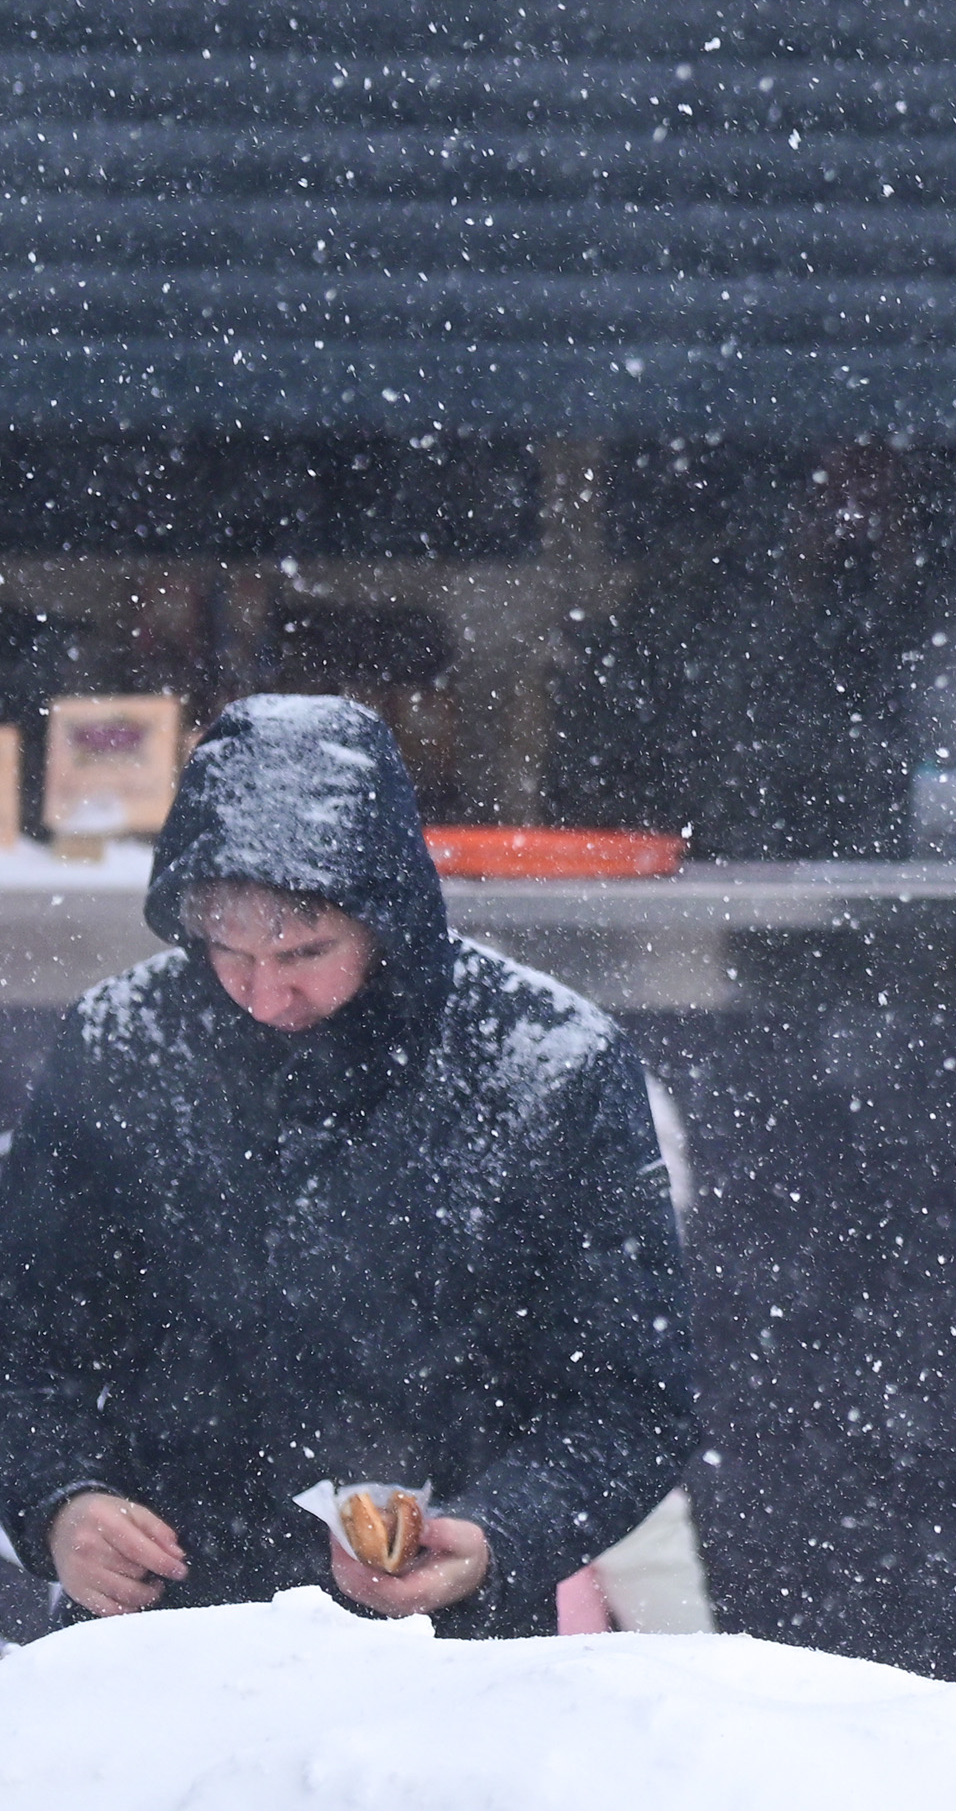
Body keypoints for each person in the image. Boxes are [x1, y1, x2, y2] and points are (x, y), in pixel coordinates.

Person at [0, 696, 692, 1635]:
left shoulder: (549, 1063)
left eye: (304, 951)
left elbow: (632, 1396)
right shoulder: (120, 1045)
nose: (263, 990)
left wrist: (498, 1534)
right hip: (163, 1638)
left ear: (385, 915)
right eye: (227, 951)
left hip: (449, 1653)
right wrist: (57, 1502)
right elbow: (25, 1343)